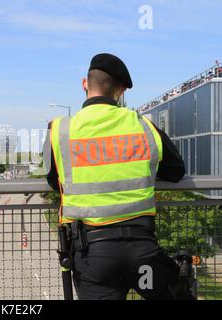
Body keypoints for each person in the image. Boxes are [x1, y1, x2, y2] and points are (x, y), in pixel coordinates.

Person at [44, 53, 195, 300]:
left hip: (93, 256)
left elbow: (55, 181)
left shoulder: (60, 130)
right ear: (122, 91)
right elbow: (176, 170)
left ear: (85, 84)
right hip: (143, 254)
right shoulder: (143, 126)